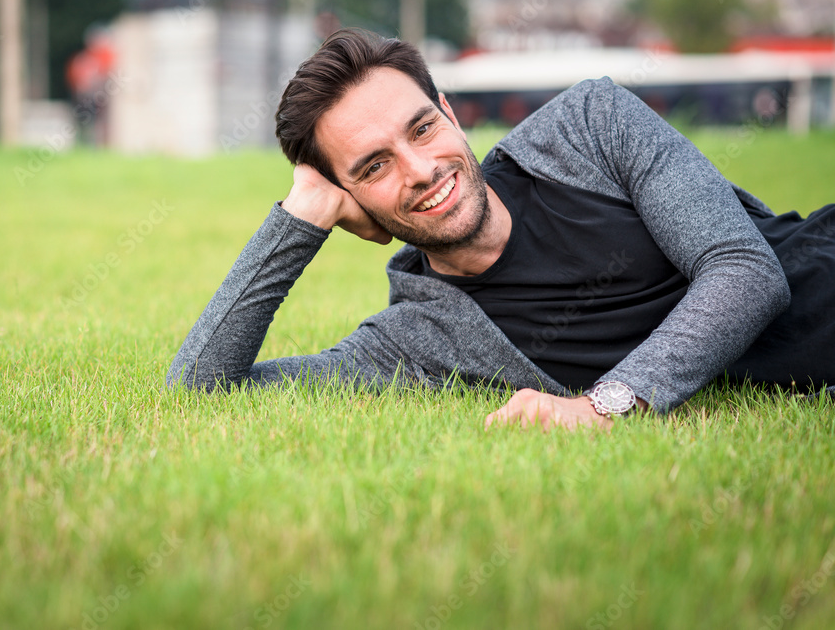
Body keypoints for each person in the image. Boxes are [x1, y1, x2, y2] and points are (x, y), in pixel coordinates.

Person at [167, 28, 834, 431]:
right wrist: (301, 216)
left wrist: (604, 407)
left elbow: (745, 273)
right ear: (350, 197)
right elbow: (198, 388)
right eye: (374, 165)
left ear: (450, 113)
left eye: (422, 127)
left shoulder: (590, 124)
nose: (423, 169)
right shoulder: (418, 339)